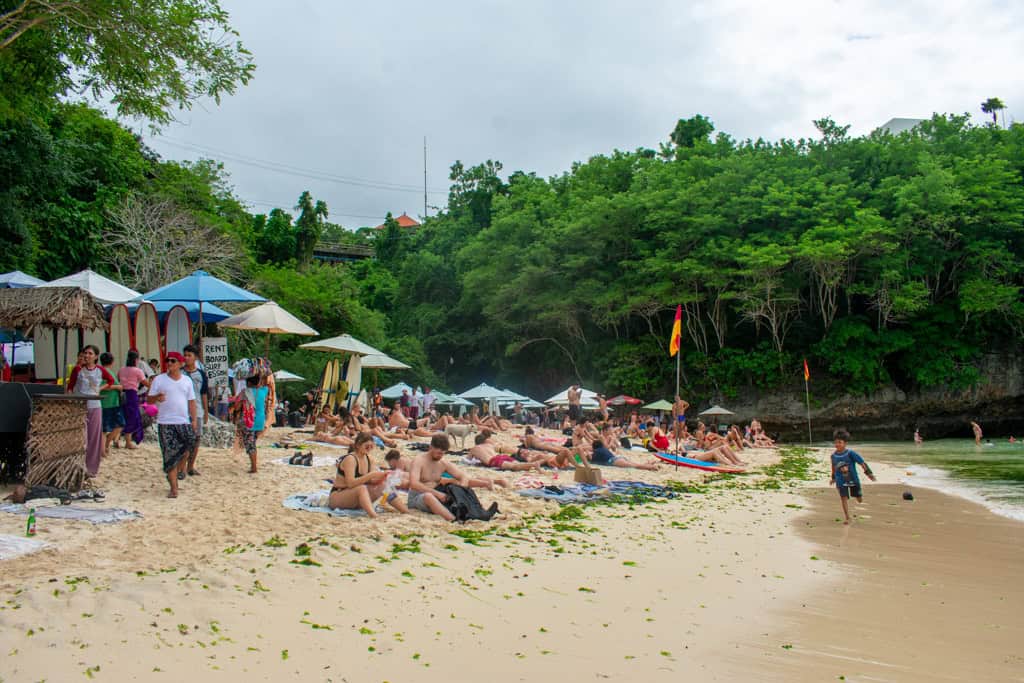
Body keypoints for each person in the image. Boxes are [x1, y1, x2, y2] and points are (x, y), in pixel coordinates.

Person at [147, 352, 197, 498]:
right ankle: (174, 488)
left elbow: (191, 401)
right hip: (165, 422)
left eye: (173, 361)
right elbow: (149, 400)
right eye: (168, 360)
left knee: (189, 445)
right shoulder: (159, 380)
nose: (169, 363)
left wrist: (194, 420)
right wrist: (157, 397)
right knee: (169, 455)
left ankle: (181, 468)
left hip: (183, 421)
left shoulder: (187, 381)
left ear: (180, 364)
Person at [328, 432, 408, 517]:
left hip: (355, 496)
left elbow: (372, 481)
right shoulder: (350, 459)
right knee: (361, 488)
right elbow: (350, 483)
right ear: (358, 445)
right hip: (339, 495)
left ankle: (405, 511)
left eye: (371, 446)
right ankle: (373, 515)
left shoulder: (369, 458)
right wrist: (371, 475)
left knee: (384, 486)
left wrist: (383, 476)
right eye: (367, 446)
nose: (369, 448)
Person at [68, 345, 114, 477]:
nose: (87, 355)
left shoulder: (100, 370)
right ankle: (78, 465)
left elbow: (110, 381)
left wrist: (100, 388)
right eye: (85, 353)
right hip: (80, 406)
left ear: (96, 356)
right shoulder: (78, 369)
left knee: (94, 437)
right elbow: (71, 386)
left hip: (95, 406)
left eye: (90, 353)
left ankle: (91, 468)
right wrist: (72, 401)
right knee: (80, 437)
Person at [408, 434, 472, 521]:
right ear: (431, 447)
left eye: (442, 453)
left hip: (439, 495)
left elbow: (463, 476)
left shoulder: (442, 463)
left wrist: (462, 489)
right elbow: (414, 484)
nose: (440, 456)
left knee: (459, 488)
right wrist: (436, 494)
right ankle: (454, 520)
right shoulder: (419, 461)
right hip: (418, 497)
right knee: (429, 496)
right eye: (438, 453)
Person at [829, 428, 876, 525]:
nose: (837, 444)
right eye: (836, 442)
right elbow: (833, 467)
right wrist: (833, 478)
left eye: (840, 442)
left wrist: (869, 473)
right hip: (840, 480)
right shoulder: (833, 456)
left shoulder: (851, 453)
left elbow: (862, 463)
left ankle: (858, 495)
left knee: (859, 499)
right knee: (843, 498)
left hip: (853, 480)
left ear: (845, 443)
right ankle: (847, 518)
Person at [231, 374, 270, 473]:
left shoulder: (245, 392)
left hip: (249, 421)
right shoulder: (264, 391)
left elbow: (237, 407)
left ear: (248, 383)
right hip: (260, 421)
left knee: (250, 444)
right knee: (253, 442)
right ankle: (254, 465)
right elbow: (266, 383)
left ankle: (254, 467)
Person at [180, 345, 209, 478]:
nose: (186, 358)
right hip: (182, 410)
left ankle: (191, 466)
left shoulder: (201, 374)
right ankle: (182, 467)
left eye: (189, 355)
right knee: (184, 440)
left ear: (195, 357)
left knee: (196, 439)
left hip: (197, 410)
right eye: (185, 355)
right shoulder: (179, 373)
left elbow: (204, 393)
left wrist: (206, 411)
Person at [117, 350, 149, 449]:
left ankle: (116, 439)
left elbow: (118, 379)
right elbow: (145, 383)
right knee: (133, 417)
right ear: (136, 359)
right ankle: (128, 441)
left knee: (123, 416)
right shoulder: (137, 371)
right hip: (132, 394)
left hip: (122, 394)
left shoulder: (121, 369)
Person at [469, 432, 542, 471]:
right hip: (501, 456)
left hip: (494, 460)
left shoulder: (474, 449)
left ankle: (534, 464)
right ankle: (532, 464)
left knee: (514, 467)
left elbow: (467, 460)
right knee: (519, 464)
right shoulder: (489, 445)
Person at [98, 352, 124, 455]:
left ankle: (106, 445)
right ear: (112, 361)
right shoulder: (104, 372)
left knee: (119, 424)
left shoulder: (106, 371)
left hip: (112, 402)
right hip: (107, 403)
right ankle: (104, 449)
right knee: (109, 427)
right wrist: (119, 387)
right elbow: (105, 386)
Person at [589, 438, 658, 471]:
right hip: (618, 458)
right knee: (635, 465)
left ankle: (652, 467)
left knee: (636, 466)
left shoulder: (596, 452)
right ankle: (649, 464)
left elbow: (592, 460)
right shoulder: (603, 449)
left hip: (614, 461)